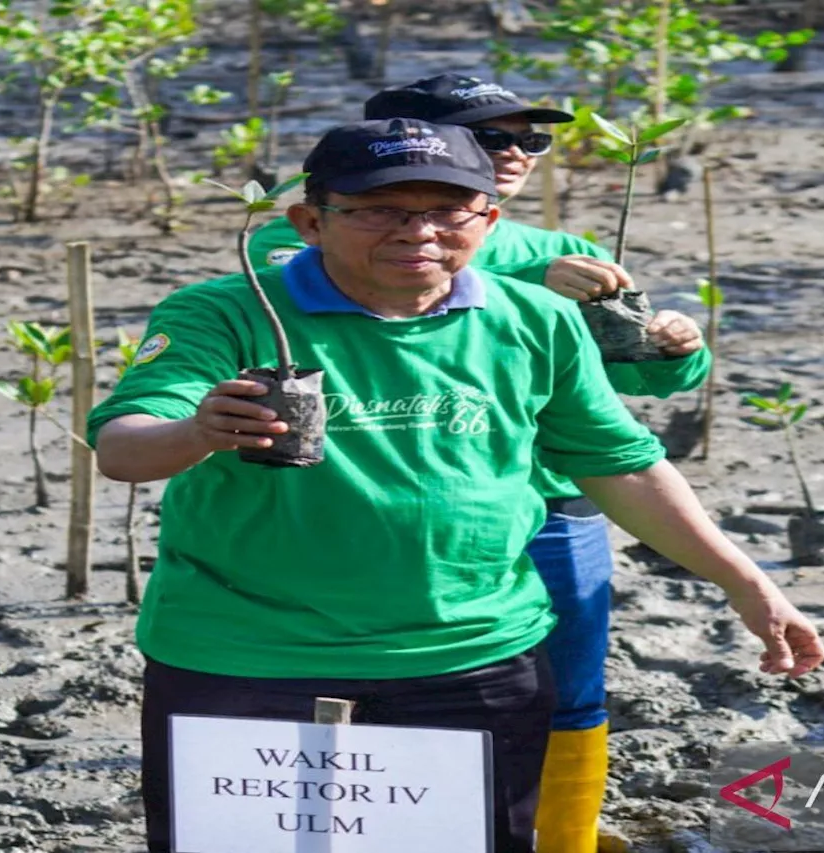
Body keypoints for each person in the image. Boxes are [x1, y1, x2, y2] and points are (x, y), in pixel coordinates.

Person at [89, 117, 824, 853]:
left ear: (490, 218)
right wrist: (197, 432)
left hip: (472, 656)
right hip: (244, 656)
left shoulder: (535, 317)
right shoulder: (221, 311)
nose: (420, 232)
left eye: (448, 209)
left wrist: (746, 582)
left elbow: (621, 462)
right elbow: (124, 448)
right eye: (380, 209)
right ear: (310, 221)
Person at [250, 73, 711, 852]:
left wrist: (673, 353)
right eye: (494, 137)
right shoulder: (309, 231)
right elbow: (361, 286)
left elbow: (614, 382)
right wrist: (526, 284)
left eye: (533, 138)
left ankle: (562, 836)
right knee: (384, 685)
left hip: (555, 498)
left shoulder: (565, 249)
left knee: (570, 683)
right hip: (390, 503)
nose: (519, 153)